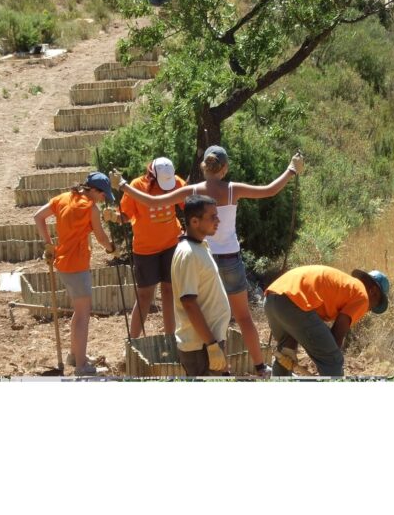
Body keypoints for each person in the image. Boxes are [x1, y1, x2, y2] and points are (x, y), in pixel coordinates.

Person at [110, 145, 304, 375]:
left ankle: (206, 362)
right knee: (243, 317)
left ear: (204, 167)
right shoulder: (232, 189)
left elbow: (154, 203)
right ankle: (260, 366)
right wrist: (291, 169)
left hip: (203, 260)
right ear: (225, 168)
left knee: (202, 315)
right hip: (230, 259)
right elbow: (270, 190)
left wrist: (122, 185)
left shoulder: (193, 190)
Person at [33, 171, 117, 377]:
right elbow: (100, 236)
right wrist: (111, 249)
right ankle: (81, 366)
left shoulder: (63, 198)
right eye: (103, 194)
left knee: (78, 313)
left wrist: (48, 243)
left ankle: (74, 355)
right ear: (94, 190)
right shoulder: (91, 208)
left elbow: (38, 217)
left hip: (62, 263)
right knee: (82, 316)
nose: (103, 198)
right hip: (77, 266)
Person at [263, 265, 389, 377]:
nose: (368, 310)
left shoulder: (348, 286)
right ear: (373, 292)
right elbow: (338, 331)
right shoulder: (363, 296)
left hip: (272, 298)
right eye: (373, 306)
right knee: (333, 360)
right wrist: (332, 360)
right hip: (294, 302)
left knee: (286, 354)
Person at [109, 157, 186, 338]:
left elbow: (188, 205)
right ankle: (133, 342)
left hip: (171, 245)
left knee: (169, 291)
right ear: (151, 176)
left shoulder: (176, 183)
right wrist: (113, 217)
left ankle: (170, 338)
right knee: (144, 296)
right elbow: (125, 215)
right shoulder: (137, 186)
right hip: (145, 250)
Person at [170, 194, 231, 377]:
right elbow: (189, 303)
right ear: (195, 221)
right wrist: (211, 345)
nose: (218, 220)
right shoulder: (188, 254)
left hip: (207, 342)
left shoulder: (200, 246)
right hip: (201, 346)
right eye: (212, 217)